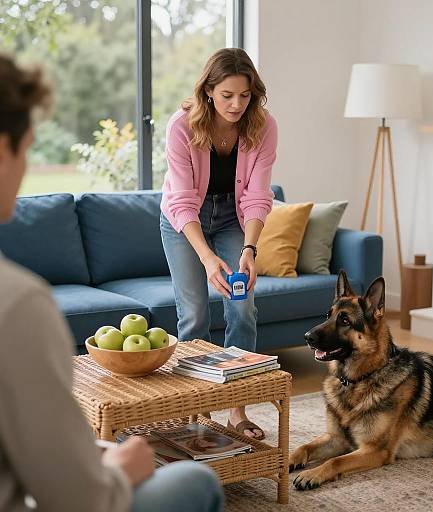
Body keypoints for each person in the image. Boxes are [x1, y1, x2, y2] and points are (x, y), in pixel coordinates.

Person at [0, 54, 224, 512]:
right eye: (27, 149)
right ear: (4, 150)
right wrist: (123, 466)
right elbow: (76, 498)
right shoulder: (17, 303)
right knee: (196, 481)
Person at [160, 48, 278, 441]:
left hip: (233, 219)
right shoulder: (182, 125)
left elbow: (259, 195)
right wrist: (207, 258)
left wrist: (249, 250)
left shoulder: (263, 126)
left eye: (244, 96)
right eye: (227, 95)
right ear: (208, 91)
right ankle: (193, 411)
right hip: (183, 221)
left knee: (243, 308)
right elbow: (180, 201)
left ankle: (236, 411)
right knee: (193, 316)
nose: (236, 104)